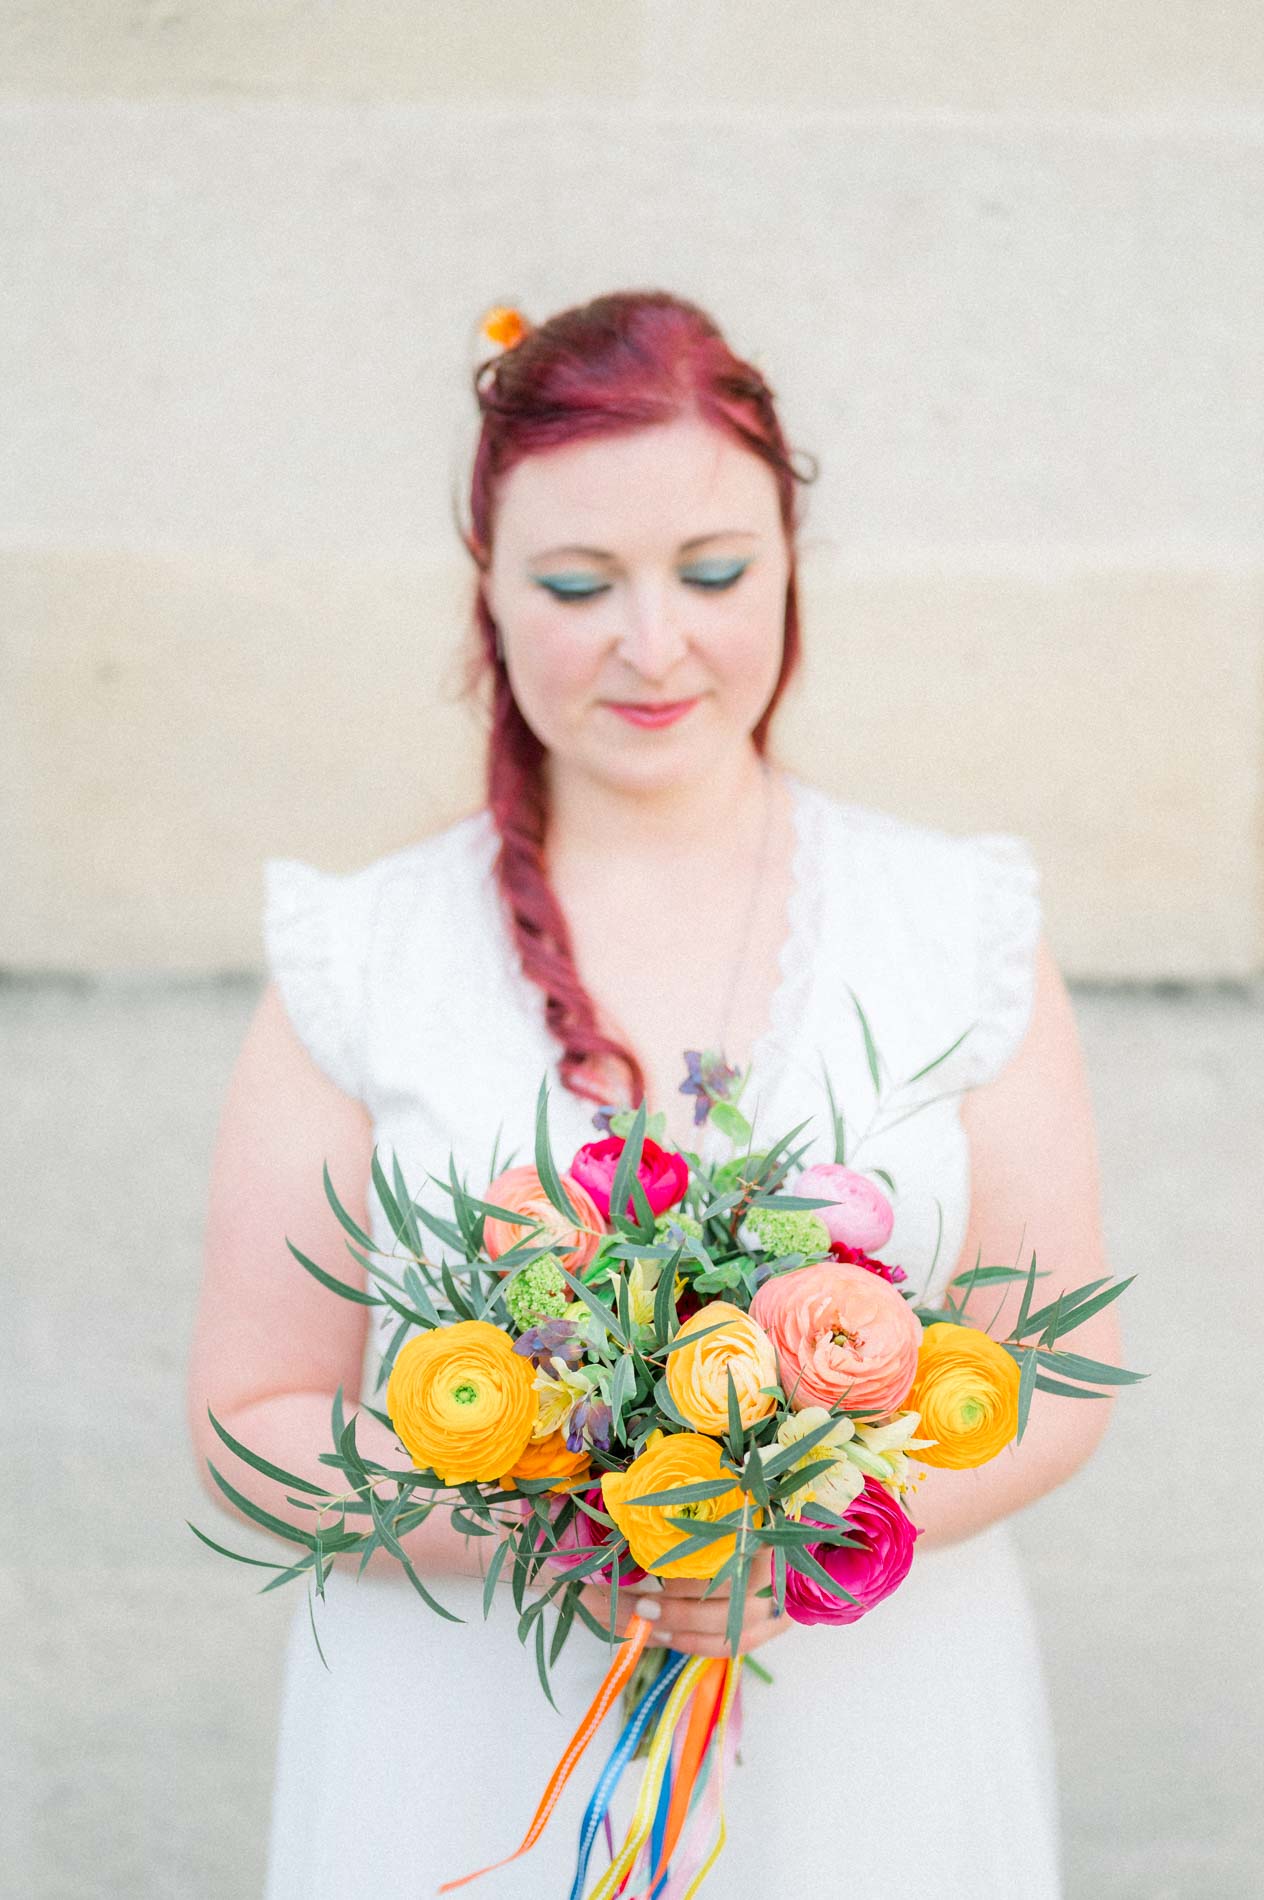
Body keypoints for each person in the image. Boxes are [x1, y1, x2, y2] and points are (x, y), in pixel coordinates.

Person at [186, 289, 1122, 1899]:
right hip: (467, 1753)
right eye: (575, 583)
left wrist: (797, 1528)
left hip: (875, 1744)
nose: (653, 641)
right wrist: (577, 1526)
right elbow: (252, 1418)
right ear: (486, 586)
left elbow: (1063, 1365)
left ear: (789, 562)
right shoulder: (361, 953)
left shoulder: (957, 927)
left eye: (711, 573)